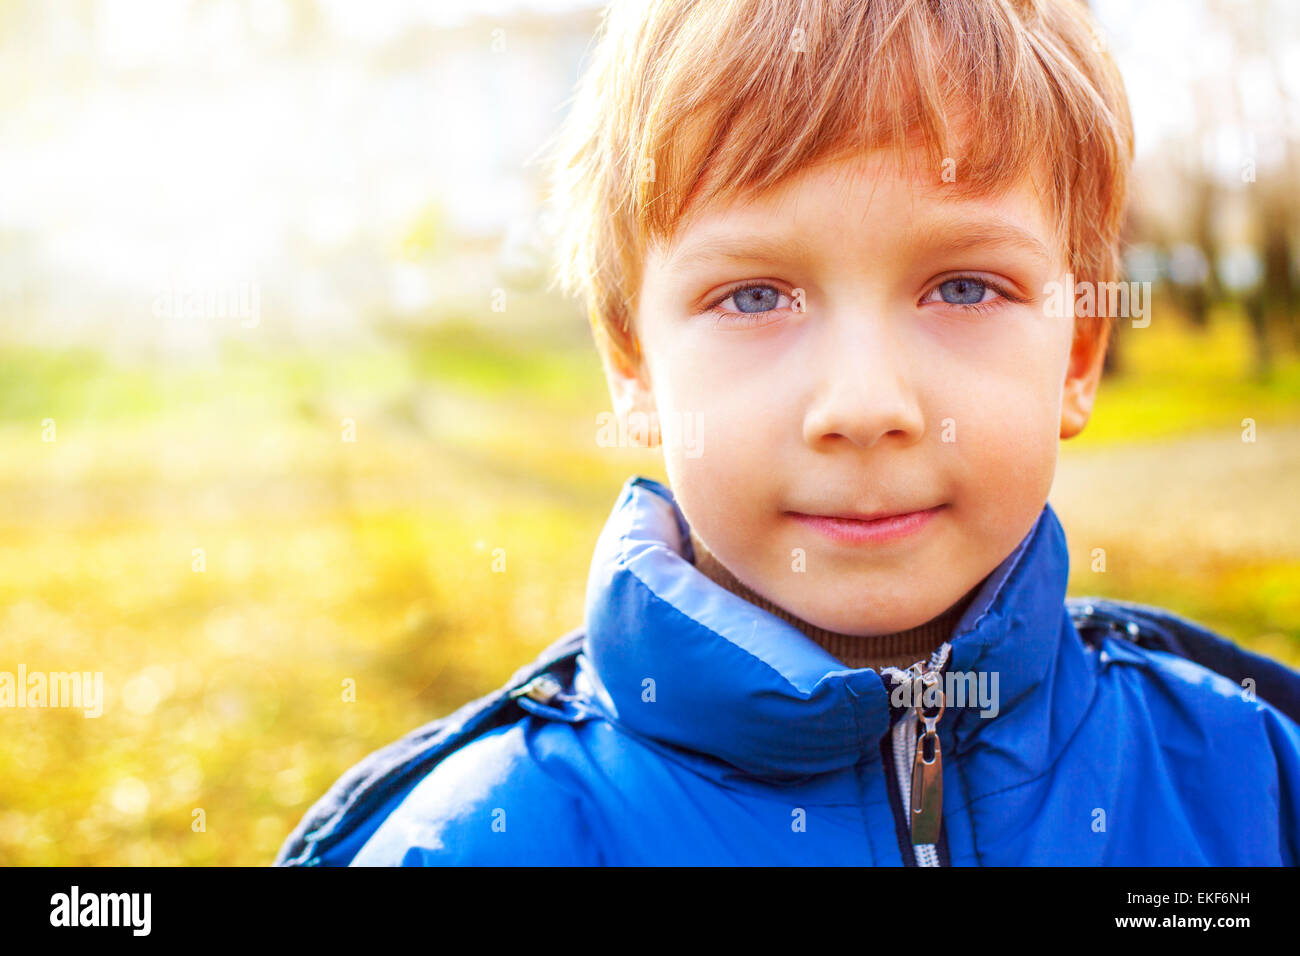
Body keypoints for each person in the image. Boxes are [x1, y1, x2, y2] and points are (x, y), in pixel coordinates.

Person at [275, 0, 1300, 866]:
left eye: (961, 285)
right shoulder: (483, 840)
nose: (862, 404)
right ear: (632, 363)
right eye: (755, 294)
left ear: (1077, 356)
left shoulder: (1251, 778)